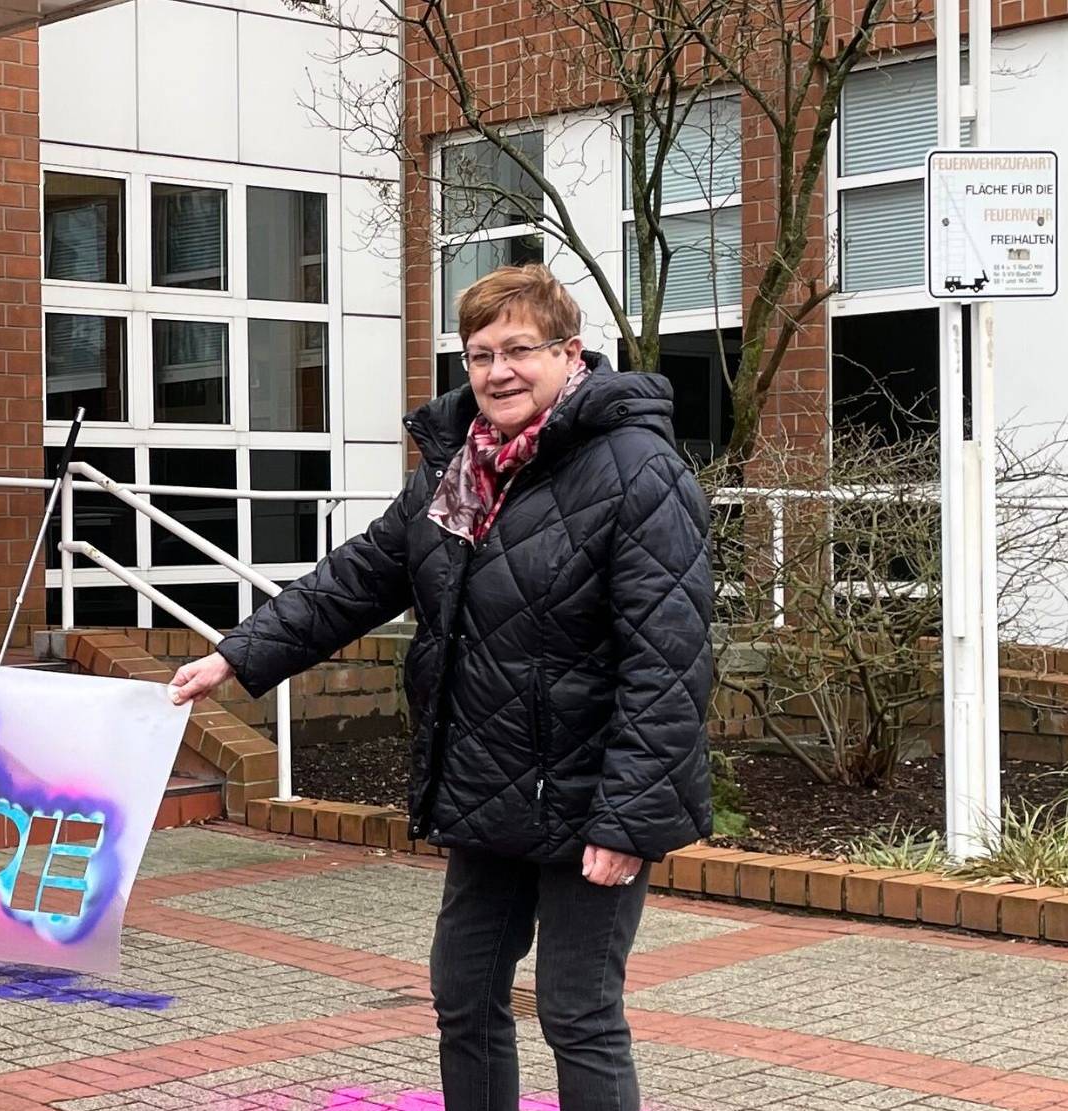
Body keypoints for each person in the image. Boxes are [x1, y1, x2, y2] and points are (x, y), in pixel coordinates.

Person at [169, 264, 713, 1110]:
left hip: (591, 790)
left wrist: (629, 820)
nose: (497, 372)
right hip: (491, 784)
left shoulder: (640, 470)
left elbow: (667, 662)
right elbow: (357, 579)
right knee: (462, 997)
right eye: (479, 353)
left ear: (571, 354)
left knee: (579, 1012)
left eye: (519, 350)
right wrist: (237, 657)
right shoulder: (455, 471)